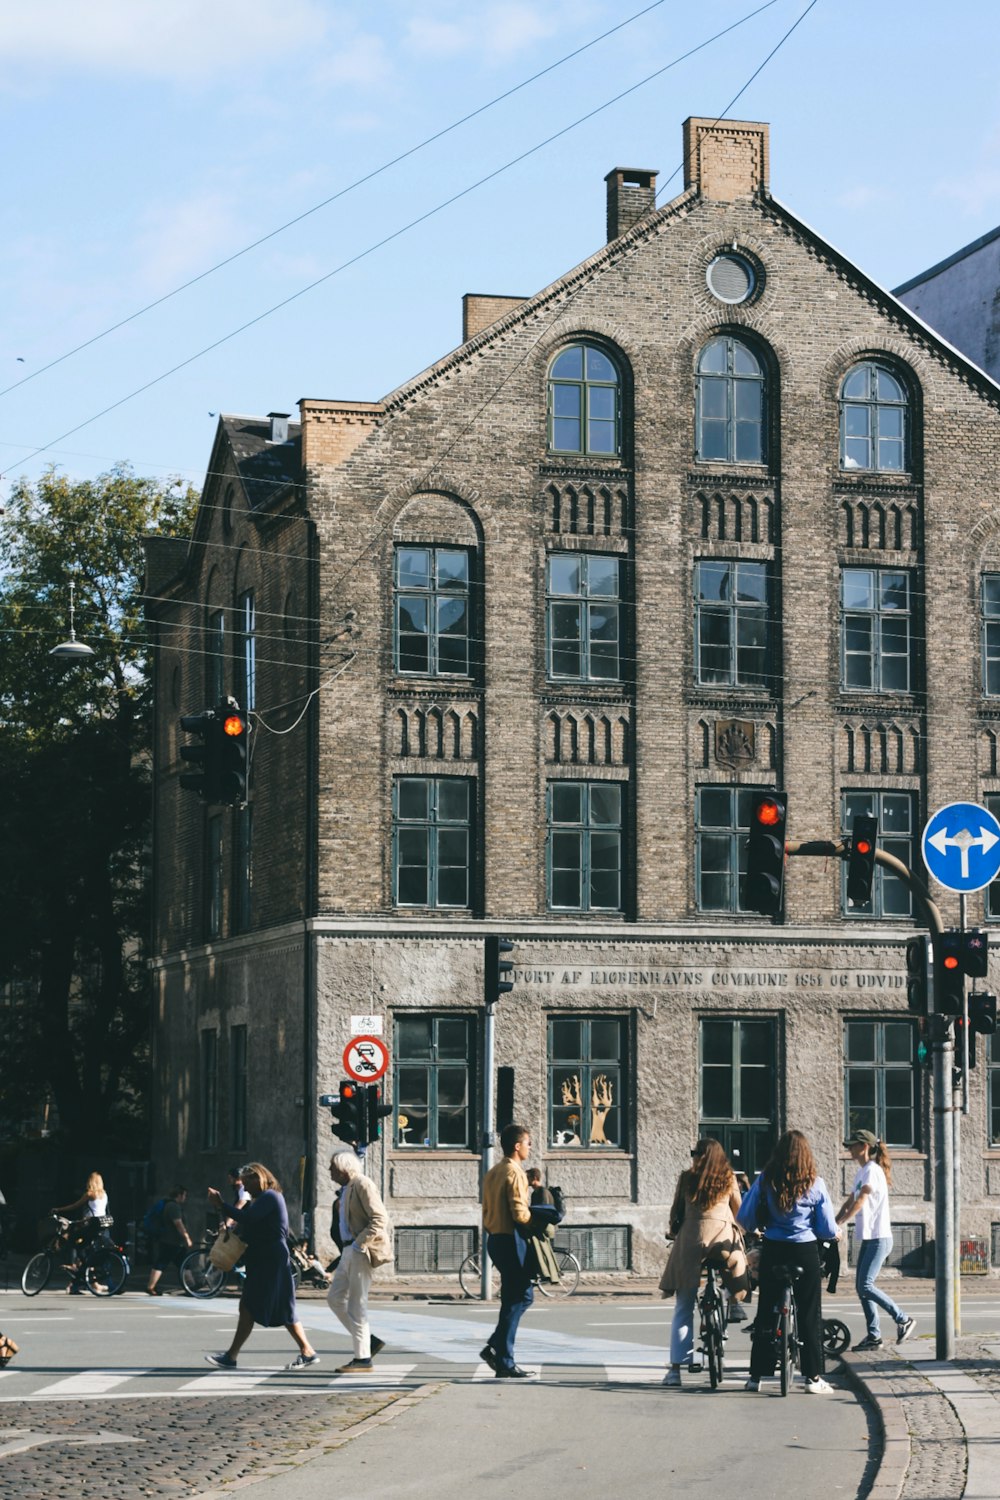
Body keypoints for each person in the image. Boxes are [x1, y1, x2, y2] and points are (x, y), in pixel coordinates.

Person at [737, 1130, 839, 1394]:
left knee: (766, 1313)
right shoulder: (816, 1184)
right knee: (809, 1313)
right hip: (804, 1251)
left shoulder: (765, 1182)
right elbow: (827, 1228)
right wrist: (831, 1232)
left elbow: (745, 1219)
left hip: (774, 1250)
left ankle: (756, 1377)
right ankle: (813, 1378)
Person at [204, 1163, 319, 1370]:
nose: (245, 1189)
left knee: (272, 1306)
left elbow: (249, 1218)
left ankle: (233, 1356)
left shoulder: (270, 1197)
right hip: (263, 1259)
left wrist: (222, 1204)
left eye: (247, 1183)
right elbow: (250, 1224)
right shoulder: (262, 1199)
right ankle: (232, 1356)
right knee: (256, 1306)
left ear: (259, 1178)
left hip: (271, 1259)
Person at [659, 1138, 748, 1388]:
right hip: (721, 1240)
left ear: (699, 1156)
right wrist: (749, 1230)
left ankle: (675, 1370)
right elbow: (740, 1211)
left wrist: (674, 1230)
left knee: (683, 1306)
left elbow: (676, 1211)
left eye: (694, 1154)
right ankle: (733, 1298)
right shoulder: (728, 1178)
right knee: (738, 1260)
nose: (693, 1158)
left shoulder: (687, 1178)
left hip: (691, 1241)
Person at [836, 1128, 915, 1351]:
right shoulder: (862, 1172)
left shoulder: (872, 1171)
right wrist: (833, 1222)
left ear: (864, 1147)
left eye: (853, 1145)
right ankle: (874, 1336)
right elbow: (849, 1202)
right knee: (861, 1287)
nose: (849, 1150)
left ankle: (903, 1319)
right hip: (870, 1237)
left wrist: (841, 1223)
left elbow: (860, 1201)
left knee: (866, 1284)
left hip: (879, 1237)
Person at [480, 1123, 538, 1379]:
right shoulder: (515, 1173)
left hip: (495, 1238)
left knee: (513, 1298)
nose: (530, 1147)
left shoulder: (493, 1172)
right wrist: (538, 1221)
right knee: (521, 1297)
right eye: (528, 1143)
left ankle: (499, 1350)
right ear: (517, 1146)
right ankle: (502, 1356)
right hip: (510, 1239)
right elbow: (519, 1212)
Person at [327, 1150, 392, 1374]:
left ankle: (363, 1359)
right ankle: (367, 1340)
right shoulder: (346, 1190)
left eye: (332, 1167)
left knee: (357, 1304)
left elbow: (380, 1217)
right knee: (335, 1299)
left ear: (344, 1168)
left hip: (359, 1250)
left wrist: (359, 1243)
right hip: (347, 1250)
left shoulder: (363, 1184)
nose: (329, 1171)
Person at [52, 1173, 109, 1292]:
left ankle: (74, 1266)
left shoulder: (89, 1194)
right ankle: (82, 1279)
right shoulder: (104, 1195)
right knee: (86, 1253)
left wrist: (59, 1209)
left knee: (72, 1239)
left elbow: (74, 1206)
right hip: (101, 1226)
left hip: (91, 1226)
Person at [146, 1187, 193, 1295]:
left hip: (174, 1242)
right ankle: (150, 1287)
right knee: (161, 1263)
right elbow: (178, 1223)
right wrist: (187, 1237)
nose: (185, 1198)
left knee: (185, 1263)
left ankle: (191, 1286)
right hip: (171, 1242)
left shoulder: (169, 1205)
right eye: (184, 1195)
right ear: (179, 1195)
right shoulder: (173, 1207)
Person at [525, 1167, 561, 1288]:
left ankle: (544, 1274)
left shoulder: (542, 1192)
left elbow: (544, 1213)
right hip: (540, 1226)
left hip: (545, 1227)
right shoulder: (536, 1192)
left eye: (528, 1178)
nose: (526, 1180)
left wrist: (532, 1225)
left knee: (534, 1243)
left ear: (535, 1178)